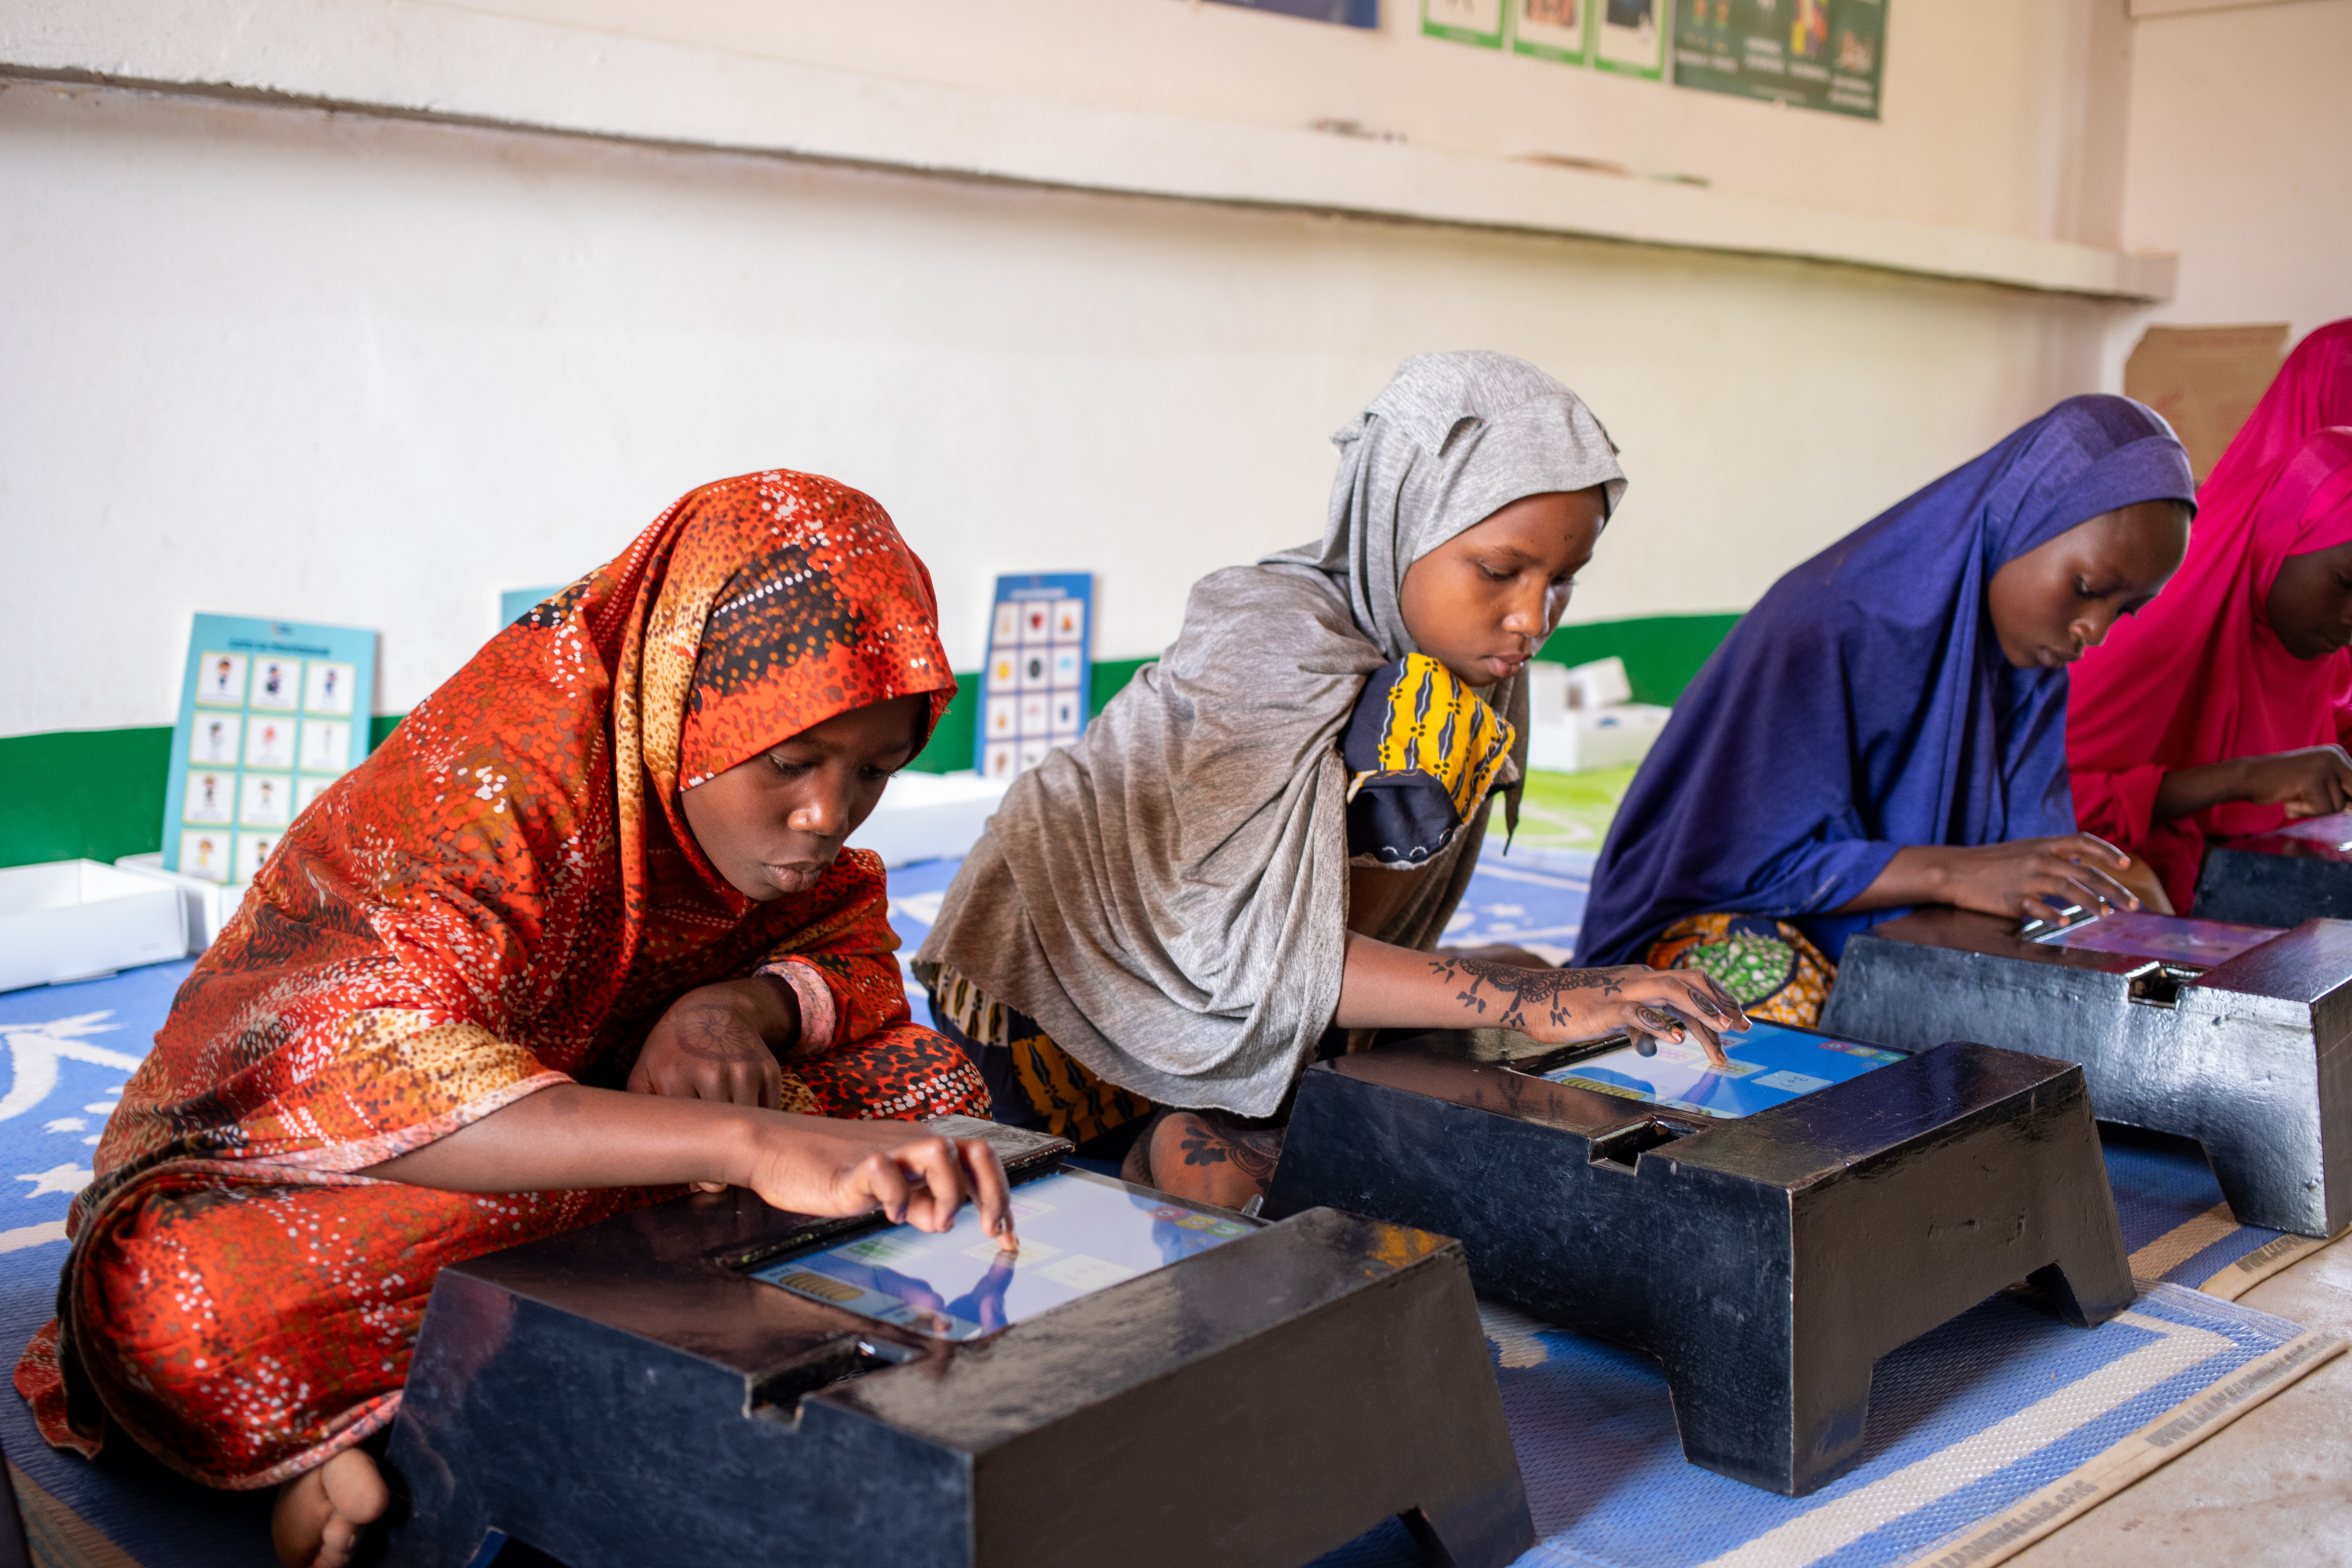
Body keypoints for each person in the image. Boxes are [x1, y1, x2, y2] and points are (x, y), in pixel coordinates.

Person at [16, 470, 1017, 1568]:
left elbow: (850, 950)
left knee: (932, 1092)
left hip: (590, 1135)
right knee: (168, 1308)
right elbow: (386, 1080)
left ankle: (416, 1403)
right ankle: (543, 1351)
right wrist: (754, 1142)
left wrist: (729, 1010)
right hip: (315, 1159)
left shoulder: (751, 815)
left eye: (876, 770)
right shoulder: (501, 778)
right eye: (789, 762)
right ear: (686, 695)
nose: (829, 814)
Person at [916, 352, 1747, 1209]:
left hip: (1255, 986)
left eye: (1562, 580)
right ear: (1401, 519)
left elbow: (1332, 919)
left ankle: (1218, 1123)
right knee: (1473, 1022)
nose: (1533, 618)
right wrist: (1533, 999)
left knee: (1511, 983)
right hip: (1052, 1014)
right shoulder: (1273, 641)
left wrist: (1527, 991)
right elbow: (1242, 950)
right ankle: (1152, 1150)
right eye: (1501, 571)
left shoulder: (1470, 658)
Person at [1577, 395, 2198, 1024]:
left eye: (2123, 611)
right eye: (2086, 589)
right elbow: (1726, 864)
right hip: (1726, 919)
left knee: (2086, 981)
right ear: (2020, 521)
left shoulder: (2029, 665)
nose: (2092, 630)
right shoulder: (1831, 624)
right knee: (1769, 1003)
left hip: (1902, 918)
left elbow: (2020, 861)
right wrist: (1951, 876)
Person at [2069, 322, 2352, 911]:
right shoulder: (2149, 614)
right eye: (2346, 585)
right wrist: (2246, 778)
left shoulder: (2311, 616)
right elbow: (2040, 798)